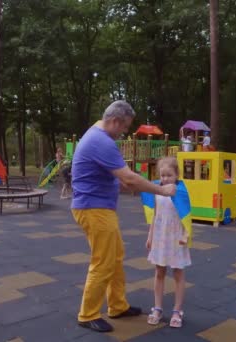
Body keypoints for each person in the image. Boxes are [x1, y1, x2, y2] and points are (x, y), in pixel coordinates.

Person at [71, 100, 177, 333]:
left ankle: (118, 306)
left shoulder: (97, 136)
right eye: (125, 127)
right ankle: (87, 314)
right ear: (115, 121)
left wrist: (120, 185)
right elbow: (129, 177)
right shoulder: (101, 141)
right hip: (94, 209)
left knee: (115, 256)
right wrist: (162, 190)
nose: (124, 133)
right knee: (103, 261)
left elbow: (106, 175)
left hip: (98, 207)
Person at [146, 157, 191, 328]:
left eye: (169, 175)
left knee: (178, 273)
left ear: (177, 175)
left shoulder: (181, 192)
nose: (164, 179)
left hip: (176, 237)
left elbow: (187, 216)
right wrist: (150, 236)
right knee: (159, 272)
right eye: (162, 175)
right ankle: (157, 308)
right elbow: (154, 215)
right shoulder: (157, 191)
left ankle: (177, 310)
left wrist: (186, 235)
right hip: (160, 236)